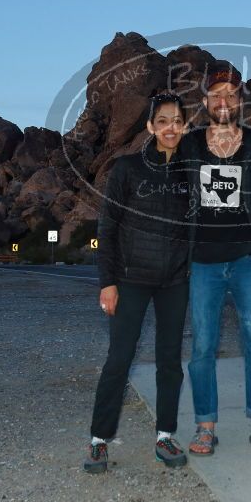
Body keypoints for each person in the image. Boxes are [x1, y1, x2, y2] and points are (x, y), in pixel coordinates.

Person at [181, 63, 251, 455]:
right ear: (205, 101)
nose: (224, 101)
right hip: (203, 264)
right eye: (216, 94)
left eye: (231, 93)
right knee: (202, 348)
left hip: (249, 261)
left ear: (241, 100)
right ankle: (205, 426)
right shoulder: (189, 145)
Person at [84, 92, 191, 474]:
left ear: (186, 126)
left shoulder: (191, 172)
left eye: (177, 121)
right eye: (162, 121)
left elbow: (208, 223)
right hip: (129, 280)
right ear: (150, 126)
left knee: (170, 362)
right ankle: (99, 440)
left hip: (175, 281)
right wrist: (107, 282)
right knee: (119, 359)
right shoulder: (126, 168)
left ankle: (165, 435)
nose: (170, 128)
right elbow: (108, 227)